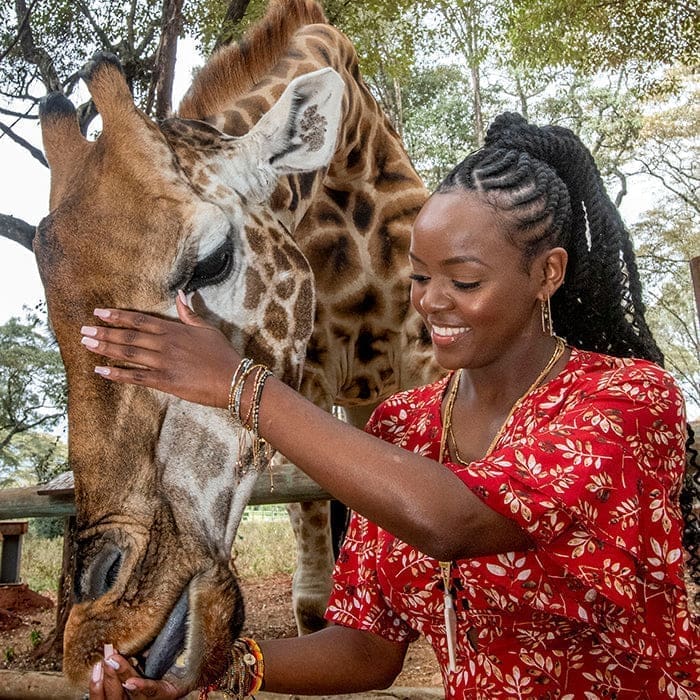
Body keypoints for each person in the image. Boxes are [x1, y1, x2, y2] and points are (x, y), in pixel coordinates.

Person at [81, 112, 699, 699]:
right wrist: (216, 665)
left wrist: (240, 385)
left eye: (464, 281)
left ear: (547, 274)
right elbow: (368, 647)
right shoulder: (406, 426)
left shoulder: (627, 401)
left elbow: (453, 521)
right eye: (420, 276)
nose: (431, 302)